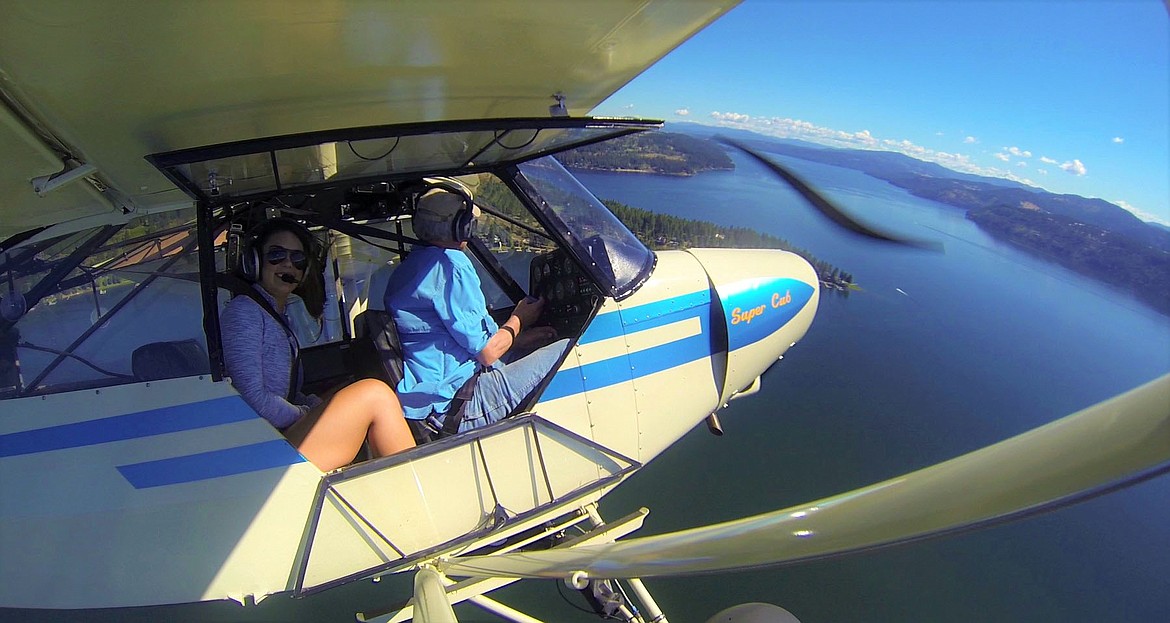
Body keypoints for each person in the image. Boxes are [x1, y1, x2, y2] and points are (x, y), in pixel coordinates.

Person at [221, 218, 415, 470]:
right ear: (254, 261)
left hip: (278, 435)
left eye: (297, 259)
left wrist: (316, 405)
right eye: (276, 255)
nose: (287, 264)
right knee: (374, 395)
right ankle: (414, 488)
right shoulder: (244, 312)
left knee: (348, 389)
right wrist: (305, 413)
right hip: (266, 449)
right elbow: (252, 400)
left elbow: (287, 392)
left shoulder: (272, 313)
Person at [384, 186, 567, 439]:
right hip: (461, 402)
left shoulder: (407, 269)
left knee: (545, 345)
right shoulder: (450, 265)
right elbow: (488, 352)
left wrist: (520, 339)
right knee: (572, 348)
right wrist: (519, 319)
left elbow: (453, 339)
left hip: (434, 400)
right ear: (460, 227)